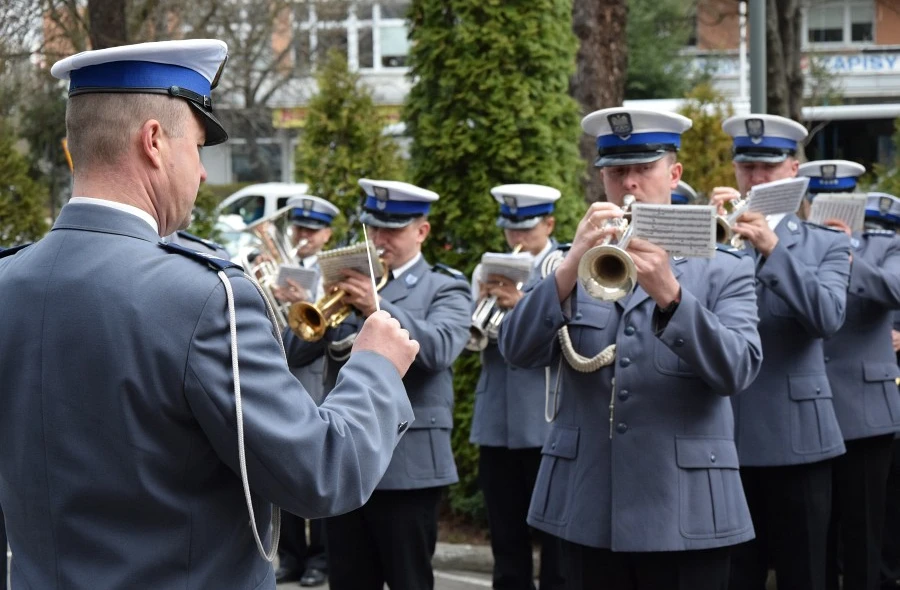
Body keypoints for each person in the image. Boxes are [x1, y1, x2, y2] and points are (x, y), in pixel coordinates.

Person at [0, 40, 419, 590]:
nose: (201, 174)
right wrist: (375, 368)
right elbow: (321, 473)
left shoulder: (8, 280)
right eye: (197, 147)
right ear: (153, 141)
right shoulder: (204, 296)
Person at [498, 107, 763, 590]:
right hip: (589, 506)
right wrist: (570, 267)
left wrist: (672, 296)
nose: (630, 184)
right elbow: (516, 352)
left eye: (644, 168)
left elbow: (738, 370)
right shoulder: (566, 266)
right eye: (617, 171)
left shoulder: (724, 267)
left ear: (674, 174)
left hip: (686, 508)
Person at [284, 178, 472, 590]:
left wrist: (377, 306)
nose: (380, 239)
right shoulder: (349, 287)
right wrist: (320, 305)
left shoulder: (446, 286)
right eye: (375, 228)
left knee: (409, 580)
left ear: (421, 231)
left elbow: (438, 350)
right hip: (347, 459)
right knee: (348, 580)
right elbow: (293, 356)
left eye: (393, 229)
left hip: (410, 466)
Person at [711, 114, 852, 590]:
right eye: (746, 167)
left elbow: (827, 318)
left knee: (807, 574)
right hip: (726, 437)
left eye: (768, 167)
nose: (756, 178)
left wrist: (772, 247)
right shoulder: (713, 240)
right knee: (734, 576)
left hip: (799, 441)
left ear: (794, 171)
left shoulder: (824, 243)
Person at [802, 179, 900, 590]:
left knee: (864, 534)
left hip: (865, 412)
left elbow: (894, 288)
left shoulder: (883, 244)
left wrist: (845, 254)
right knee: (813, 537)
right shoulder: (790, 246)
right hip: (807, 408)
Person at [469, 184, 565, 590]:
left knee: (557, 541)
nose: (516, 239)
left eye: (525, 229)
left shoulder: (563, 265)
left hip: (544, 421)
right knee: (506, 538)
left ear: (549, 223)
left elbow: (569, 338)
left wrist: (521, 303)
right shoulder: (488, 267)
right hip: (496, 420)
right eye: (510, 230)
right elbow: (473, 337)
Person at [269, 194, 341, 587]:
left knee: (322, 471)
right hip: (283, 384)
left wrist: (304, 302)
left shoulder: (331, 278)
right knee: (286, 471)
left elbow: (319, 333)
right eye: (299, 229)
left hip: (318, 381)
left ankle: (322, 559)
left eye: (312, 232)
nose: (304, 237)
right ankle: (291, 556)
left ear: (327, 235)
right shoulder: (278, 268)